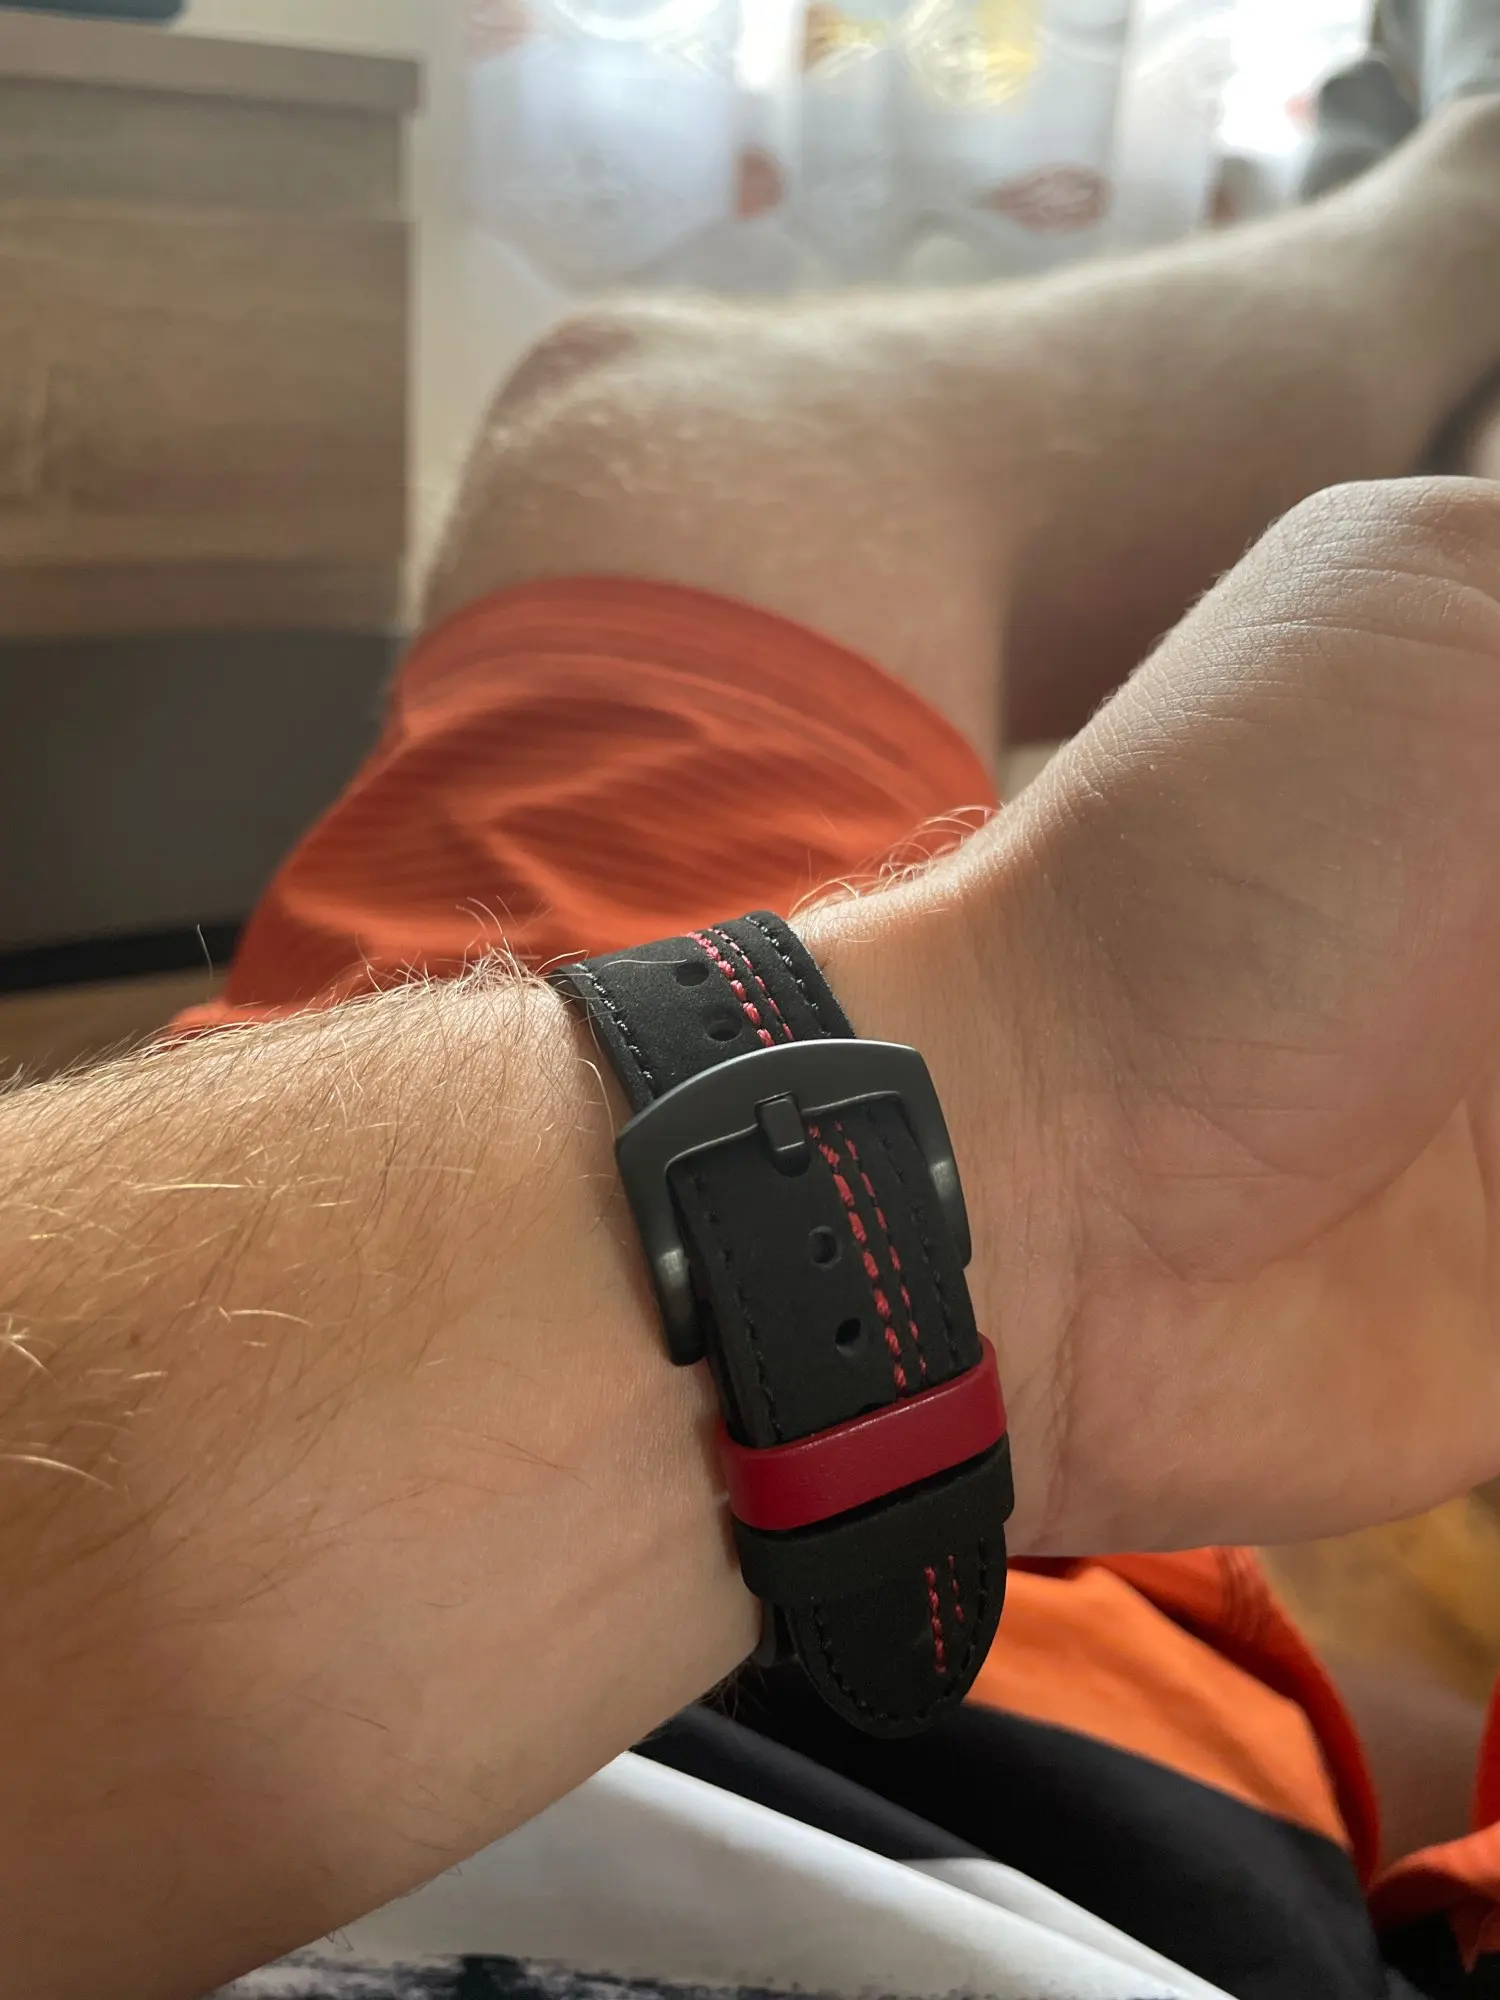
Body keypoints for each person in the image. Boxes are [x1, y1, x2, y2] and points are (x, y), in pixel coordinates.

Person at [9, 26, 1500, 2000]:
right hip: (1029, 1806)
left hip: (375, 1410)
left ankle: (1461, 209)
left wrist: (1052, 1143)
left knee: (667, 430)